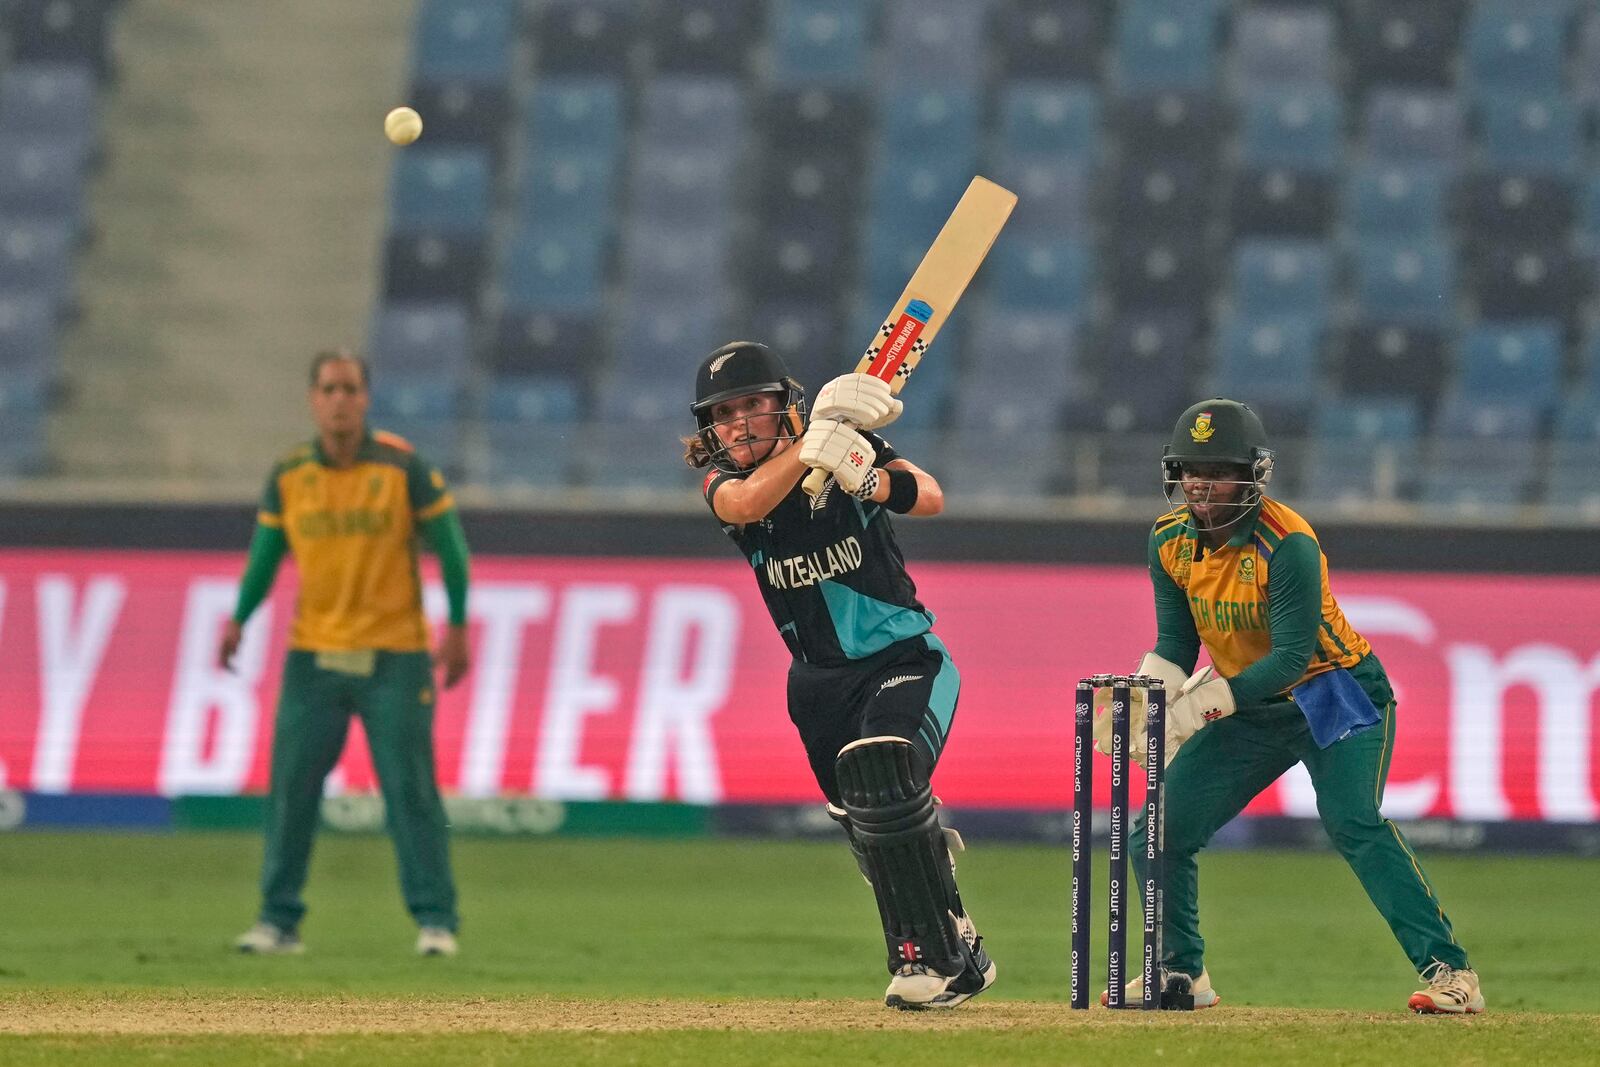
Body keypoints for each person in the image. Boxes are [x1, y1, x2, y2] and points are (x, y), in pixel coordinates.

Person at [1097, 397, 1482, 1014]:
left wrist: (1195, 709)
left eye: (1219, 470)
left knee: (1353, 821)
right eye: (1191, 469)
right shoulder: (1168, 542)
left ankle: (1450, 973)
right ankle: (1181, 973)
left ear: (1252, 476)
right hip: (1252, 708)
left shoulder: (1289, 542)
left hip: (1334, 694)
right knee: (1158, 831)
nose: (1201, 484)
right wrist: (1149, 694)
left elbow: (1292, 658)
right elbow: (1177, 642)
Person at [684, 341, 996, 1010]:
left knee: (882, 769)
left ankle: (926, 962)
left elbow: (931, 496)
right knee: (869, 831)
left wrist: (868, 475)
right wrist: (816, 446)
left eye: (754, 405)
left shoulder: (848, 451)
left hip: (903, 658)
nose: (739, 423)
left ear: (784, 404)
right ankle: (961, 946)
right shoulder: (725, 483)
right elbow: (743, 505)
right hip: (817, 686)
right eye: (724, 413)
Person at [222, 348, 472, 957]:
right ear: (313, 399)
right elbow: (265, 555)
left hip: (397, 654)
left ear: (366, 398)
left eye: (350, 389)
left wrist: (458, 625)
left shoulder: (402, 466)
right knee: (291, 791)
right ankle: (279, 921)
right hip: (314, 655)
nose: (339, 400)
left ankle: (435, 921)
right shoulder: (287, 475)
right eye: (329, 389)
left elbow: (451, 548)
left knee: (409, 791)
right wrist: (239, 617)